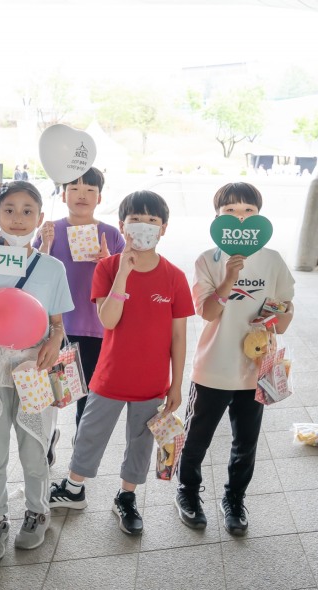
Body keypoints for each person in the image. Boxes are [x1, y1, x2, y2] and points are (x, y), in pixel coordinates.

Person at [47, 191, 194, 538]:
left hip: (152, 380)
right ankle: (74, 487)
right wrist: (123, 274)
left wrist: (175, 384)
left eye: (152, 221)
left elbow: (178, 336)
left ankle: (126, 497)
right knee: (90, 432)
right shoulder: (108, 267)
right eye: (136, 220)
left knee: (140, 441)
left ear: (164, 229)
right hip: (110, 375)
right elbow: (108, 320)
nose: (144, 227)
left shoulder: (174, 277)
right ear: (122, 226)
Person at [0, 181, 72, 559]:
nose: (18, 219)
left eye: (27, 211)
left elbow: (57, 323)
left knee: (34, 448)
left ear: (40, 218)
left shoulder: (52, 267)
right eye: (9, 210)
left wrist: (55, 341)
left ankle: (37, 513)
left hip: (34, 367)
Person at [176, 182, 295, 535]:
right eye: (230, 211)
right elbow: (208, 313)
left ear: (259, 217)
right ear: (217, 218)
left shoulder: (273, 259)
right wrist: (230, 277)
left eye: (248, 211)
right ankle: (188, 492)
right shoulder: (207, 260)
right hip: (213, 367)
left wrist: (279, 314)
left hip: (255, 370)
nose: (240, 218)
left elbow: (284, 319)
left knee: (246, 442)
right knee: (197, 437)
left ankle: (234, 498)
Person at [33, 168, 125, 450]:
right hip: (56, 329)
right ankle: (44, 445)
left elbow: (125, 283)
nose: (82, 195)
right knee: (49, 393)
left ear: (100, 197)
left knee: (86, 395)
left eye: (90, 190)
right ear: (63, 195)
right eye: (74, 188)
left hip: (95, 330)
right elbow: (34, 273)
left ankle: (80, 449)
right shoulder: (51, 230)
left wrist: (109, 262)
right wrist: (45, 245)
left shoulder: (110, 234)